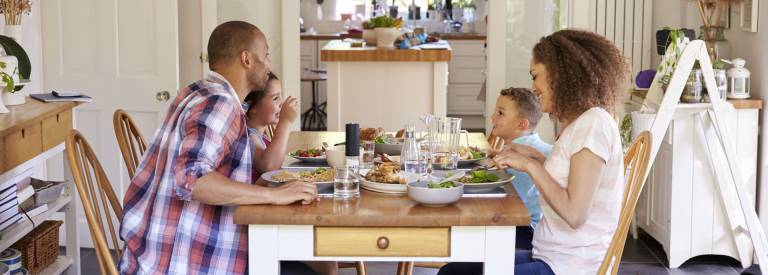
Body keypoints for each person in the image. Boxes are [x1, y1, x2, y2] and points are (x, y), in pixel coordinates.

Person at [120, 21, 319, 274]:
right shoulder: (219, 103)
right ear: (247, 59)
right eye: (266, 55)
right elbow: (192, 180)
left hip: (156, 248)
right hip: (178, 259)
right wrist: (275, 196)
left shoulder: (196, 91)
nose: (268, 64)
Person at [439, 29, 629, 275]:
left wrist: (532, 166)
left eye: (535, 75)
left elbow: (575, 214)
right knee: (453, 271)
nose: (533, 87)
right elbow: (574, 178)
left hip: (568, 267)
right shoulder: (583, 122)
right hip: (551, 255)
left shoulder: (593, 124)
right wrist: (537, 157)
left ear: (560, 74)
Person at [491, 87, 552, 250]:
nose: (493, 117)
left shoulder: (525, 155)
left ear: (522, 124)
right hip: (530, 228)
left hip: (526, 232)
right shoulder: (534, 147)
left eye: (500, 113)